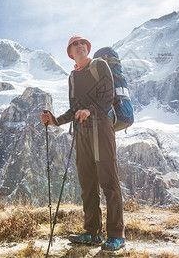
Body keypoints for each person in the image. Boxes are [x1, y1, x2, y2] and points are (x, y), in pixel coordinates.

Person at [40, 35, 125, 251]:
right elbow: (74, 108)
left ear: (87, 48)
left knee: (109, 182)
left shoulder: (99, 65)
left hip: (102, 128)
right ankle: (92, 233)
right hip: (82, 132)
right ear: (70, 53)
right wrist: (55, 120)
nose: (79, 47)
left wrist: (91, 110)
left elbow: (107, 96)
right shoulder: (72, 77)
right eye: (74, 45)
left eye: (82, 44)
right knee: (87, 184)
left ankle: (117, 235)